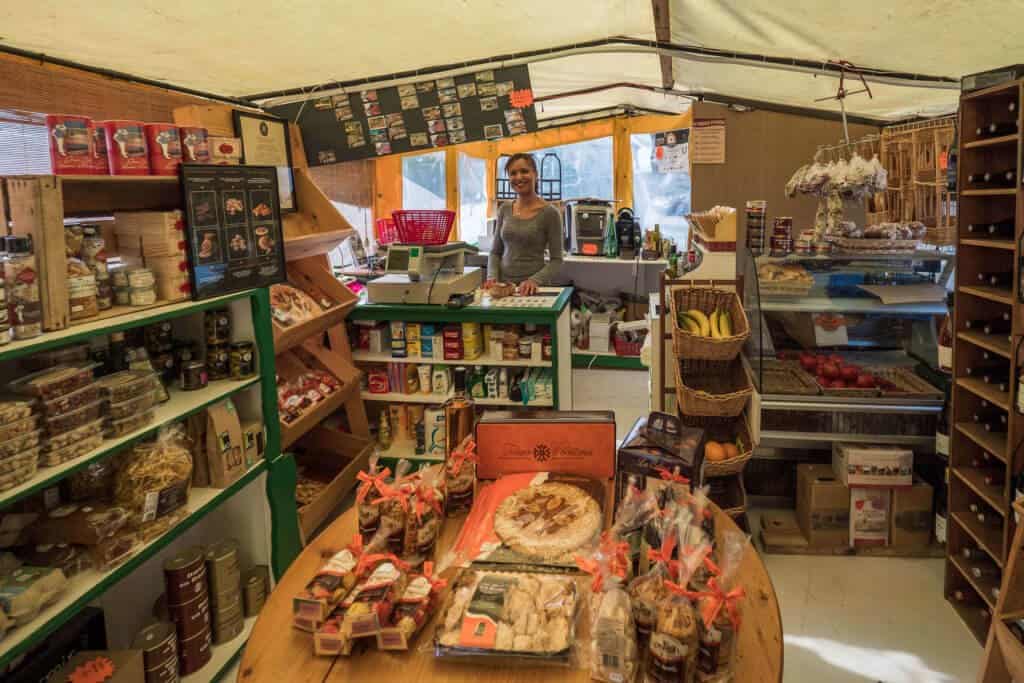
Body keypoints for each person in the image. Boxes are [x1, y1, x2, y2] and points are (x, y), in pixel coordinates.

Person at [486, 153, 563, 295]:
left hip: (534, 289)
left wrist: (534, 280)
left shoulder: (550, 213)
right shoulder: (504, 209)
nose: (519, 177)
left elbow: (557, 260)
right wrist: (492, 277)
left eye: (524, 171)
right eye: (513, 173)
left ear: (535, 174)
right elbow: (495, 252)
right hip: (505, 288)